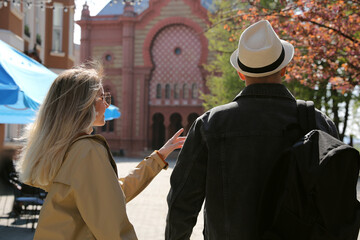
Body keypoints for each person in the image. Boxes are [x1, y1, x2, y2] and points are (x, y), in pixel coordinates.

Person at [165, 20, 339, 240]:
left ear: (240, 73)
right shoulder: (318, 123)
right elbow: (337, 199)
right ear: (284, 69)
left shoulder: (210, 125)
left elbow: (181, 202)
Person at [18, 63, 186, 240]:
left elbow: (112, 194)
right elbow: (113, 228)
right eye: (101, 98)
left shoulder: (66, 148)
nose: (106, 104)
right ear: (82, 105)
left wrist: (158, 157)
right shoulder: (87, 150)